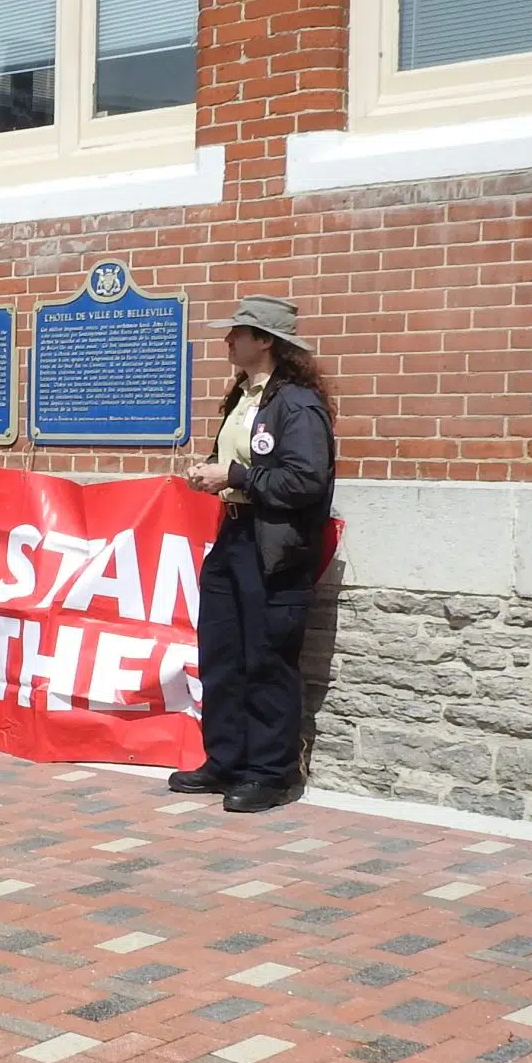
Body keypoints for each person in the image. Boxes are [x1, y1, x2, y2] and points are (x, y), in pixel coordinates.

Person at [176, 296, 337, 814]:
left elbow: (306, 479)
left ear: (265, 340)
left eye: (238, 333)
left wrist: (236, 476)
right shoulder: (244, 397)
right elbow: (242, 462)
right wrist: (211, 472)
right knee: (221, 653)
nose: (228, 341)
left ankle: (270, 773)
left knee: (267, 660)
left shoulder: (298, 405)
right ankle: (225, 760)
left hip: (275, 549)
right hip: (234, 536)